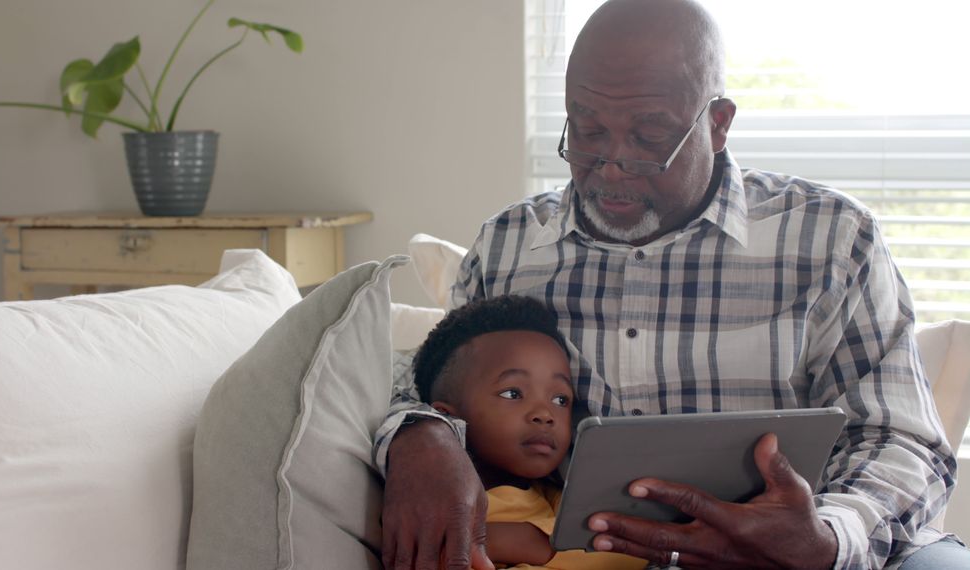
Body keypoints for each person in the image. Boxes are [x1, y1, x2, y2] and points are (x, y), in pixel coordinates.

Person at [373, 0, 967, 568]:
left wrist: (828, 538)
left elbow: (900, 438)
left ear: (717, 124)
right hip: (576, 555)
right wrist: (421, 436)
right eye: (587, 130)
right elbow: (425, 384)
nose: (609, 165)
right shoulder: (507, 246)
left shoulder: (832, 239)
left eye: (649, 137)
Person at [411, 295, 646, 570]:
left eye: (560, 400)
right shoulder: (436, 500)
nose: (545, 414)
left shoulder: (562, 499)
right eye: (513, 393)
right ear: (448, 419)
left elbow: (627, 549)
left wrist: (503, 541)